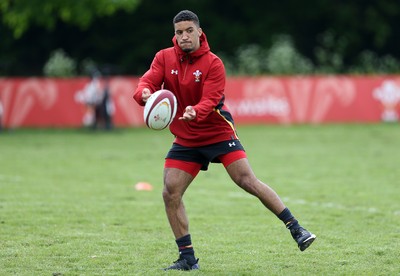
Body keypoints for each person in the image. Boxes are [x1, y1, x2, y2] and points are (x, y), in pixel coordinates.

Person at [133, 10, 316, 271]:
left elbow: (210, 99)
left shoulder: (213, 63)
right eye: (178, 32)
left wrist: (196, 110)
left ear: (199, 31)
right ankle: (187, 258)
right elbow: (146, 81)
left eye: (188, 31)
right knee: (170, 191)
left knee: (246, 180)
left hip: (218, 133)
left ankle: (296, 228)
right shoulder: (164, 57)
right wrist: (144, 94)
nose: (183, 36)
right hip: (187, 137)